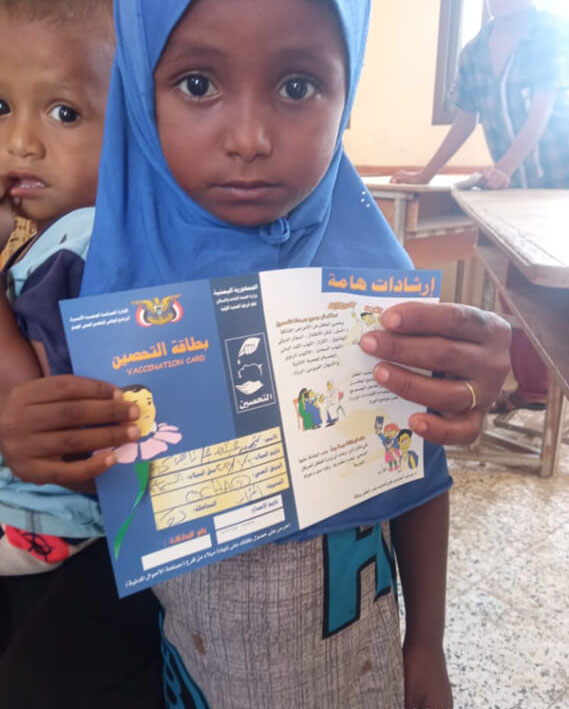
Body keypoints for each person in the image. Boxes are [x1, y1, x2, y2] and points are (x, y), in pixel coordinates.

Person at [0, 0, 511, 706]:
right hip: (194, 667)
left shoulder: (371, 282)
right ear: (138, 99)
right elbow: (129, 487)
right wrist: (45, 451)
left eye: (298, 86)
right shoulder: (105, 282)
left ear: (348, 89)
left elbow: (418, 471)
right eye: (198, 85)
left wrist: (424, 643)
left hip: (355, 666)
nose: (248, 138)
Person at [0, 1, 164, 705]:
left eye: (63, 113)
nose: (20, 143)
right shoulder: (51, 232)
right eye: (1, 106)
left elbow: (32, 408)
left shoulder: (88, 242)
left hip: (53, 532)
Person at [392, 0, 569, 411]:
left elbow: (542, 108)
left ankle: (553, 396)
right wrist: (426, 174)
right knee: (519, 289)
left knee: (560, 288)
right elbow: (464, 120)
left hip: (560, 182)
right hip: (513, 192)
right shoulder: (473, 51)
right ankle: (533, 392)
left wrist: (504, 167)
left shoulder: (550, 33)